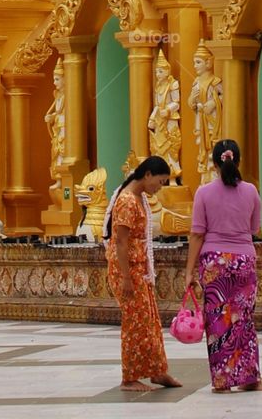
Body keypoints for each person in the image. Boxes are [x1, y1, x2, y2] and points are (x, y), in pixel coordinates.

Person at [184, 139, 262, 393]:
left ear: (215, 164)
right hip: (243, 261)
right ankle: (251, 378)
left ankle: (223, 381)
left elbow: (197, 234)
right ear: (237, 161)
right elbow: (253, 228)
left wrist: (189, 272)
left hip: (215, 263)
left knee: (219, 322)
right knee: (244, 320)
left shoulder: (203, 193)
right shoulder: (251, 191)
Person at [103, 155, 181, 394]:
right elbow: (121, 243)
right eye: (160, 181)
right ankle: (130, 377)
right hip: (128, 270)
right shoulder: (127, 200)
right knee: (135, 323)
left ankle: (157, 370)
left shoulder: (138, 197)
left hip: (139, 268)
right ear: (147, 175)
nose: (160, 187)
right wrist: (126, 277)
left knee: (149, 321)